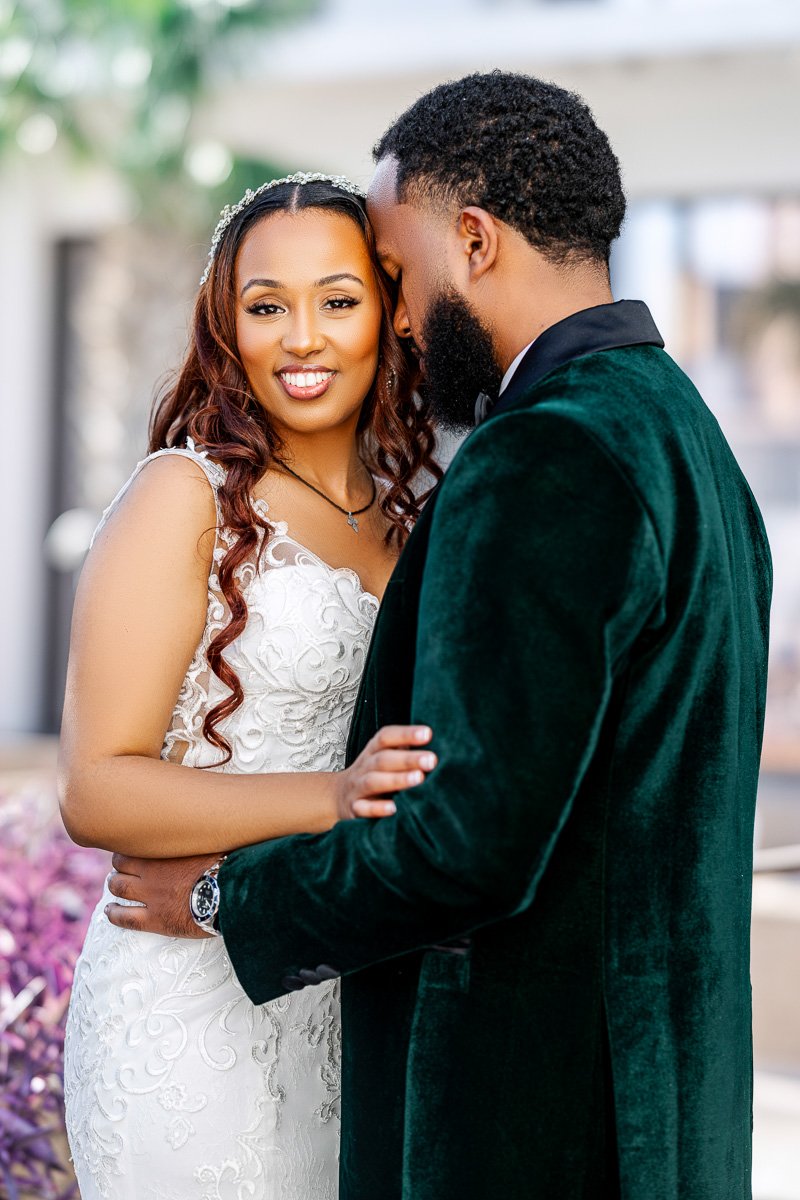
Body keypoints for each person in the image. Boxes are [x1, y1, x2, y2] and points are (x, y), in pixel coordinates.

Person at [107, 73, 773, 1199]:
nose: (401, 319)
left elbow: (465, 844)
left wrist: (225, 901)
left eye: (394, 278)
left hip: (539, 1124)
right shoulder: (687, 436)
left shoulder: (541, 455)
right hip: (666, 1111)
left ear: (470, 241)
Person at [59, 173, 441, 1200]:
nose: (301, 337)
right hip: (181, 1006)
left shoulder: (422, 518)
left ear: (389, 316)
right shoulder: (181, 498)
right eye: (266, 305)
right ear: (228, 326)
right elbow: (96, 789)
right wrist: (330, 797)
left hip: (334, 997)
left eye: (337, 300)